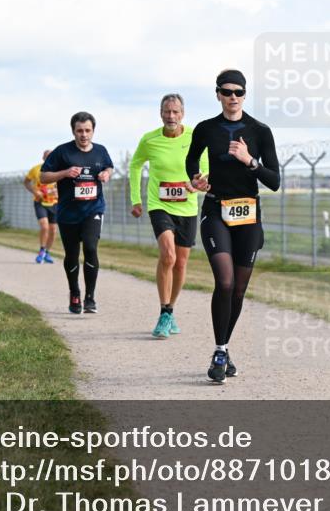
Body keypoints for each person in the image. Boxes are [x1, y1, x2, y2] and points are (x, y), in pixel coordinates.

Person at [185, 69, 280, 383]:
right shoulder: (206, 129)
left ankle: (224, 345)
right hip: (215, 210)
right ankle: (220, 349)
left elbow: (274, 181)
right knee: (224, 282)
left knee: (239, 289)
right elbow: (191, 160)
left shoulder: (260, 131)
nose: (233, 97)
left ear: (244, 94)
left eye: (238, 92)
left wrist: (250, 160)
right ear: (218, 95)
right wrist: (196, 178)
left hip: (248, 215)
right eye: (227, 92)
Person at [130, 93, 209, 338]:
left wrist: (195, 183)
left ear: (182, 113)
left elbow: (206, 168)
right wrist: (136, 199)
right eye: (167, 111)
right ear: (160, 113)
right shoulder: (149, 139)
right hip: (159, 204)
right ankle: (164, 312)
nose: (171, 116)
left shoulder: (195, 136)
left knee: (181, 262)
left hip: (187, 206)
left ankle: (171, 309)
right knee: (168, 255)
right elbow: (135, 165)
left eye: (175, 112)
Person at [40, 112, 114, 314]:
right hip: (68, 213)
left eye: (87, 130)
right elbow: (44, 176)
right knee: (72, 254)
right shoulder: (62, 152)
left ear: (93, 131)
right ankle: (74, 293)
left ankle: (90, 298)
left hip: (93, 209)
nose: (84, 135)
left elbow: (109, 166)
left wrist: (106, 173)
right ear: (73, 131)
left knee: (90, 247)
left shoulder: (100, 151)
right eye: (79, 131)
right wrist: (64, 173)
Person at [24, 149, 59, 264]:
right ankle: (41, 251)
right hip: (40, 202)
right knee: (44, 227)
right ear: (43, 158)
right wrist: (35, 192)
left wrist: (58, 192)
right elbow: (26, 182)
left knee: (53, 230)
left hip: (54, 203)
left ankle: (47, 253)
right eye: (47, 156)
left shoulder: (58, 171)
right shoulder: (36, 169)